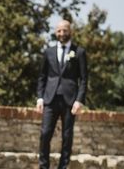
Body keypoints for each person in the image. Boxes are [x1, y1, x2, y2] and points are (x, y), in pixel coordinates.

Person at [36, 20, 88, 169]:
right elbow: (42, 76)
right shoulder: (48, 52)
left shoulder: (79, 52)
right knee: (45, 133)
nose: (62, 33)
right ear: (55, 32)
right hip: (50, 99)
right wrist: (40, 97)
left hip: (70, 100)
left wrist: (79, 100)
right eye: (59, 31)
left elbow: (84, 79)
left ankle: (63, 167)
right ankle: (43, 166)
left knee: (67, 136)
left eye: (65, 30)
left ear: (70, 31)